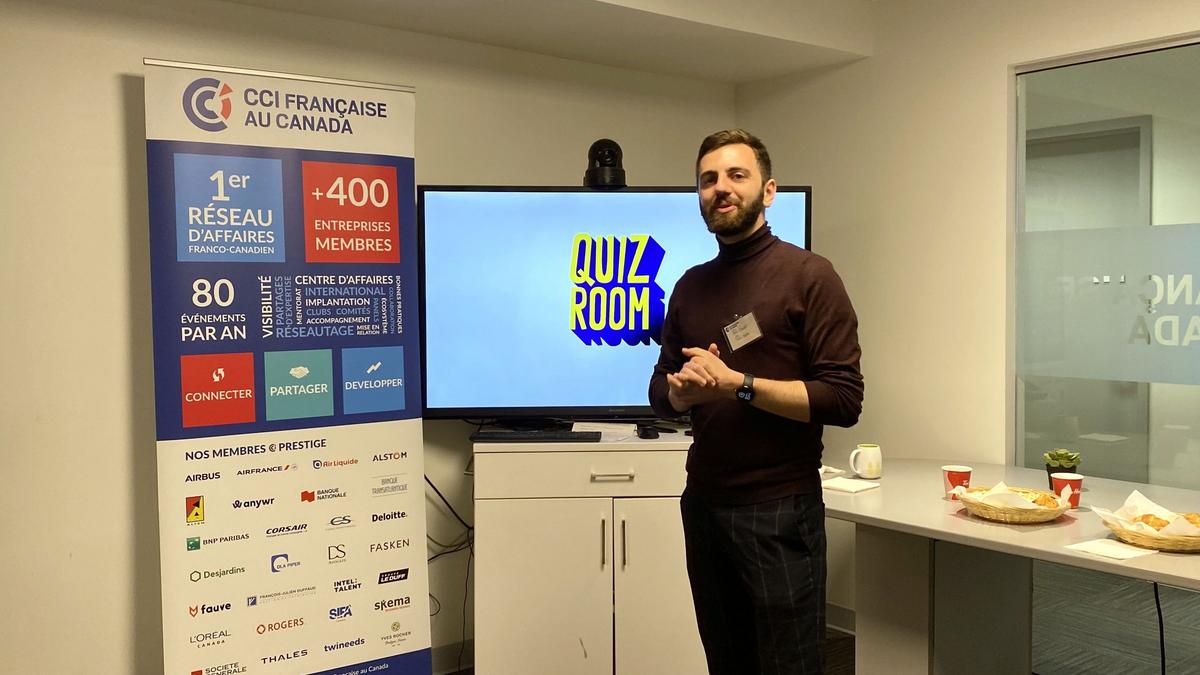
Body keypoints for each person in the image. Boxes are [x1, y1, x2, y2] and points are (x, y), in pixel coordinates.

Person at [648, 129, 864, 674]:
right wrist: (678, 393)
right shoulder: (689, 286)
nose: (720, 188)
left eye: (736, 175)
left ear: (768, 192)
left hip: (779, 511)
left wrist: (737, 384)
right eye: (708, 179)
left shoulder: (810, 276)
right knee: (726, 661)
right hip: (703, 505)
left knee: (789, 665)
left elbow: (843, 399)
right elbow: (659, 393)